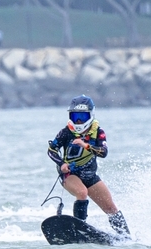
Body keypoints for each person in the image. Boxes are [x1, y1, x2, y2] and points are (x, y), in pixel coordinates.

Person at [47, 95, 130, 238]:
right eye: (75, 116)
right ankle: (79, 226)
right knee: (82, 192)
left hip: (90, 175)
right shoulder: (66, 132)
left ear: (90, 115)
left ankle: (127, 237)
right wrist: (61, 164)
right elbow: (51, 150)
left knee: (111, 208)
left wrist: (85, 145)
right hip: (69, 175)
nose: (78, 121)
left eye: (82, 117)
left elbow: (103, 153)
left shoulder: (98, 132)